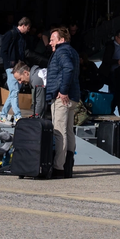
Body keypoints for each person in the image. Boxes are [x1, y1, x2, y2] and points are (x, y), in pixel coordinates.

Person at [45, 27, 80, 178]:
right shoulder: (73, 51)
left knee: (59, 132)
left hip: (62, 98)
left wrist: (63, 90)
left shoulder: (61, 51)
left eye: (53, 39)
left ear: (61, 40)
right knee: (69, 131)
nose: (50, 43)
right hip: (73, 97)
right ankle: (68, 167)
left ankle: (58, 167)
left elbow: (68, 68)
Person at [0, 17, 32, 121]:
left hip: (18, 68)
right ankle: (17, 115)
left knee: (13, 92)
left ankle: (3, 115)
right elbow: (3, 51)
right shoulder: (11, 34)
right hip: (12, 68)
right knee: (15, 91)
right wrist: (9, 65)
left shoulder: (20, 36)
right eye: (28, 28)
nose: (28, 30)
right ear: (23, 25)